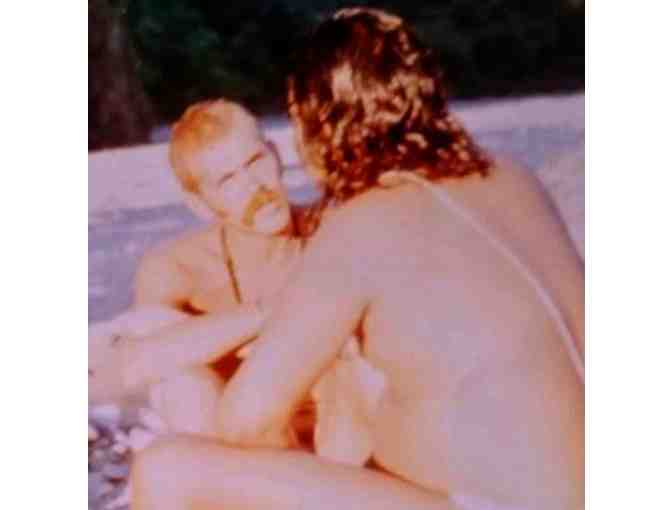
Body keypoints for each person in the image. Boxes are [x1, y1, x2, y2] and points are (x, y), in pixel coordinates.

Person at [131, 7, 585, 510]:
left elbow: (245, 420)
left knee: (165, 470)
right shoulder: (513, 176)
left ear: (317, 125)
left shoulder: (360, 222)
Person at [89, 99, 378, 459]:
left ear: (275, 155)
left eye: (255, 161)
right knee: (178, 377)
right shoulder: (178, 268)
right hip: (244, 451)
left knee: (350, 357)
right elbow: (139, 363)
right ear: (200, 203)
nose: (254, 187)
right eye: (227, 180)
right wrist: (270, 313)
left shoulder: (333, 230)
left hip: (344, 440)